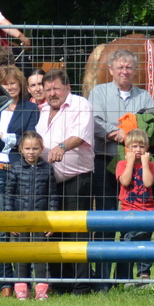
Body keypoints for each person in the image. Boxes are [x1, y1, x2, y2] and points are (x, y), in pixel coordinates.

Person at [88, 48, 154, 286]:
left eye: (128, 67)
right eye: (120, 67)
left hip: (137, 168)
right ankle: (102, 277)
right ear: (111, 70)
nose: (124, 71)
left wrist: (131, 141)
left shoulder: (145, 97)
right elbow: (94, 121)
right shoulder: (98, 93)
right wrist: (117, 133)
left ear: (134, 70)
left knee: (132, 219)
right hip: (105, 159)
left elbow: (152, 124)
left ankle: (125, 276)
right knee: (107, 217)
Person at [0, 64, 38, 295]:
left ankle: (24, 280)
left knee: (21, 225)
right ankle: (5, 281)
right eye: (5, 83)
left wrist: (3, 138)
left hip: (20, 169)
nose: (10, 87)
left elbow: (30, 139)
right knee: (0, 227)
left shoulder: (30, 109)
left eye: (14, 82)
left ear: (20, 84)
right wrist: (13, 141)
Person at [37, 67, 94, 291]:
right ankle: (60, 284)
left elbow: (80, 135)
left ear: (68, 88)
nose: (52, 93)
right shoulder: (41, 110)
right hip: (49, 181)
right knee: (52, 231)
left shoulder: (80, 105)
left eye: (56, 89)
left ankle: (80, 286)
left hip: (76, 178)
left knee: (76, 231)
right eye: (48, 89)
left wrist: (61, 146)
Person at [5, 131, 57, 299]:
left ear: (41, 149)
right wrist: (10, 220)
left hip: (41, 220)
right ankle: (21, 287)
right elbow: (9, 196)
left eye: (35, 148)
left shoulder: (47, 169)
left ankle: (41, 288)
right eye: (27, 148)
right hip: (20, 220)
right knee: (21, 254)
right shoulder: (15, 169)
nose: (31, 152)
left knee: (40, 253)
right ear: (21, 149)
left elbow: (53, 197)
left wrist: (52, 221)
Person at [115, 128, 154, 286]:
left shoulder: (150, 165)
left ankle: (144, 274)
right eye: (134, 147)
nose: (138, 150)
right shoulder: (122, 164)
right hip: (128, 211)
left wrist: (145, 164)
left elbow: (148, 183)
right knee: (127, 241)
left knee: (144, 241)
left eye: (141, 146)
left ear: (147, 148)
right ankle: (123, 276)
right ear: (127, 148)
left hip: (147, 211)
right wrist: (131, 163)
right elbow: (125, 182)